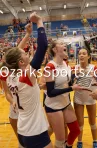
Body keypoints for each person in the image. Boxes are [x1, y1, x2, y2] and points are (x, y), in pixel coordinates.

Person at [0, 12, 52, 148]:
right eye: (25, 53)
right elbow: (43, 46)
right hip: (35, 131)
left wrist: (28, 34)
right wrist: (39, 21)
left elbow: (14, 54)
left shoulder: (10, 73)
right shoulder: (26, 76)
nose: (26, 52)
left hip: (22, 130)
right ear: (21, 62)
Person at [0, 23, 34, 148]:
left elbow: (19, 49)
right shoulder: (4, 72)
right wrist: (12, 102)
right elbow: (7, 92)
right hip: (14, 110)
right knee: (21, 142)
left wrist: (28, 34)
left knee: (32, 138)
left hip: (29, 107)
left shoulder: (20, 67)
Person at [44, 40, 82, 148]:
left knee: (75, 131)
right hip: (54, 106)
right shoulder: (50, 67)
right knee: (60, 141)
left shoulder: (65, 63)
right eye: (61, 44)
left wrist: (76, 76)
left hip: (65, 102)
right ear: (55, 50)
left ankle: (68, 146)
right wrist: (71, 88)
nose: (64, 44)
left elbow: (68, 82)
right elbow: (51, 93)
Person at [72, 48, 97, 148]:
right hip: (78, 99)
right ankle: (79, 141)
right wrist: (74, 77)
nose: (81, 55)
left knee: (92, 121)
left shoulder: (94, 68)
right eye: (80, 54)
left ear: (88, 56)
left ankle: (95, 141)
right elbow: (70, 84)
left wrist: (96, 77)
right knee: (80, 122)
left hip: (91, 98)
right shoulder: (75, 68)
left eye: (84, 54)